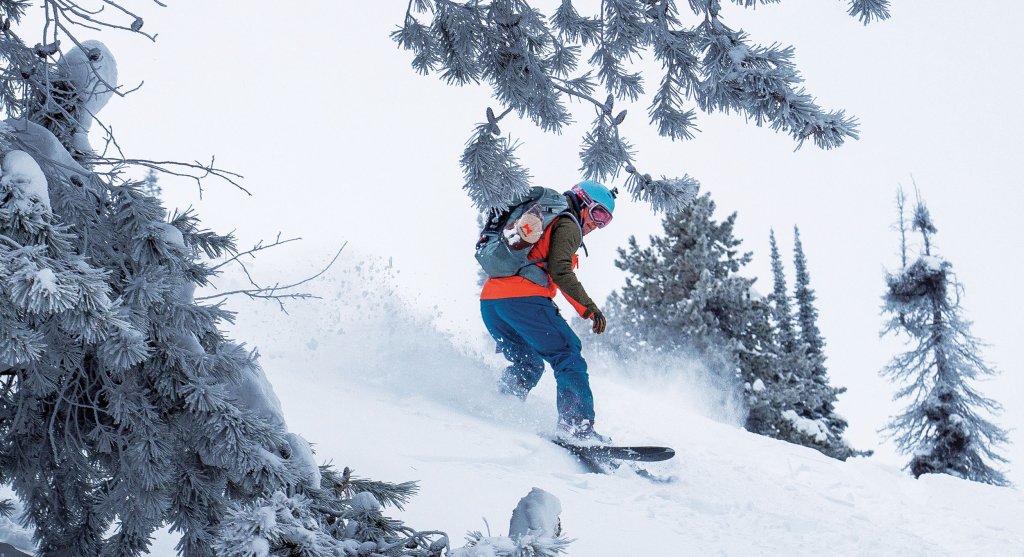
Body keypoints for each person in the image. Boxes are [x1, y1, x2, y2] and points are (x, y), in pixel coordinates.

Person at [479, 180, 615, 442]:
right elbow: (560, 272)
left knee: (529, 364)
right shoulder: (568, 223)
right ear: (583, 201)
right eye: (598, 214)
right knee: (567, 353)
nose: (598, 225)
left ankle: (500, 406)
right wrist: (589, 309)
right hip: (523, 300)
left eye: (606, 221)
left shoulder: (547, 218)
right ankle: (576, 428)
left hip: (492, 303)